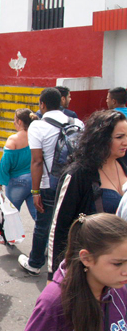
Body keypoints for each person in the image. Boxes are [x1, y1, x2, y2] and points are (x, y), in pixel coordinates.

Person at [45, 110, 127, 280]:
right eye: (119, 137)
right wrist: (54, 275)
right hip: (89, 270)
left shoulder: (123, 165)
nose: (125, 142)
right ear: (101, 138)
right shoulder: (78, 174)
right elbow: (58, 227)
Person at [18, 88, 84, 276]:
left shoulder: (37, 126)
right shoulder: (77, 123)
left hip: (50, 184)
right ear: (61, 102)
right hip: (74, 183)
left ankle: (35, 263)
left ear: (42, 104)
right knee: (71, 224)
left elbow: (37, 161)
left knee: (43, 225)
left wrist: (35, 192)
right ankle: (68, 264)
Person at [0, 109, 38, 221]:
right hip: (33, 179)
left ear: (19, 121)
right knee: (37, 215)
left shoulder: (13, 139)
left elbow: (5, 163)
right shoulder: (36, 136)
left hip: (16, 181)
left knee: (10, 215)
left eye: (14, 120)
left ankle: (9, 238)